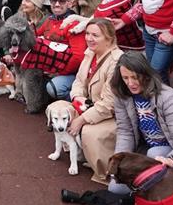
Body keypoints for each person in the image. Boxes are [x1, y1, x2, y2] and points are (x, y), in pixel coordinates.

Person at [109, 51, 173, 195]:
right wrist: (119, 159)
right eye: (125, 78)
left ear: (145, 74)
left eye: (135, 77)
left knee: (154, 153)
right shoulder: (122, 95)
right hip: (146, 148)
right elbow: (125, 132)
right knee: (115, 188)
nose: (130, 83)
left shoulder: (169, 98)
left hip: (172, 152)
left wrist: (172, 159)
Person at [49, 18, 124, 183]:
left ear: (110, 38)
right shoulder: (91, 52)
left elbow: (109, 104)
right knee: (57, 108)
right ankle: (80, 151)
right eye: (87, 33)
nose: (89, 38)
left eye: (95, 35)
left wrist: (82, 119)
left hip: (113, 114)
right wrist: (77, 97)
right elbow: (79, 81)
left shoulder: (117, 61)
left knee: (90, 132)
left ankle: (106, 173)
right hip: (89, 104)